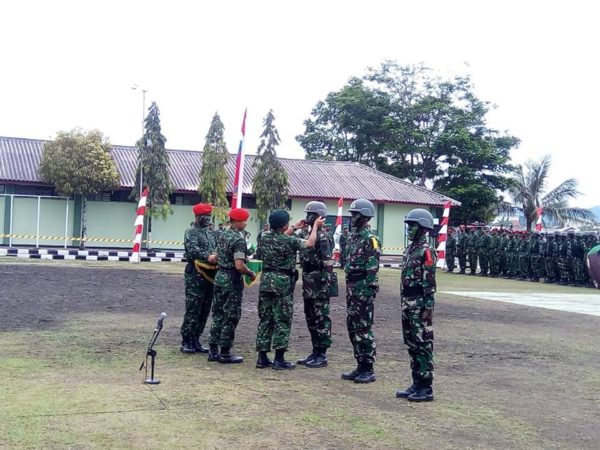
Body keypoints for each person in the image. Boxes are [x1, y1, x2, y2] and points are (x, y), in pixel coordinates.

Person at [255, 209, 324, 370]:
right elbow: (309, 243)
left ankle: (262, 357)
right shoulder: (289, 241)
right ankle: (279, 359)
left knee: (265, 319)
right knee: (282, 320)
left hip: (266, 281)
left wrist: (293, 227)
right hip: (282, 283)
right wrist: (314, 227)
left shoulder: (264, 238)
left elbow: (280, 237)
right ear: (284, 224)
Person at [396, 208, 437, 402]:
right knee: (411, 343)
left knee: (423, 345)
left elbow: (429, 283)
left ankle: (426, 387)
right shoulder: (410, 249)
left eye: (413, 226)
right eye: (409, 225)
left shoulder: (426, 251)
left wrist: (428, 308)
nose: (409, 229)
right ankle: (416, 382)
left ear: (423, 228)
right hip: (408, 303)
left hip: (420, 304)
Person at [208, 208, 257, 364]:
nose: (246, 223)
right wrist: (250, 273)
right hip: (232, 280)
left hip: (220, 277)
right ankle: (225, 352)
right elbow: (239, 265)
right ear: (237, 221)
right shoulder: (238, 239)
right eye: (244, 220)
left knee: (217, 314)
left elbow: (215, 257)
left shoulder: (222, 234)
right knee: (231, 316)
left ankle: (213, 350)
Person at [341, 199, 380, 384]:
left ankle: (368, 368)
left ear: (365, 217)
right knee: (352, 327)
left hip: (363, 288)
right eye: (352, 214)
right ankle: (359, 364)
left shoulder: (370, 239)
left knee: (363, 328)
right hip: (352, 287)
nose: (352, 217)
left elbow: (372, 268)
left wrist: (368, 291)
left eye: (355, 214)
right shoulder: (353, 236)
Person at [297, 201, 334, 369]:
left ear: (319, 217)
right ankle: (314, 351)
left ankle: (322, 354)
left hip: (319, 281)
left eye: (310, 215)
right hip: (309, 280)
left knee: (320, 318)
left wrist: (326, 286)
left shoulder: (323, 236)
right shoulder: (309, 233)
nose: (307, 218)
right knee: (310, 317)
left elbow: (328, 263)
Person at [180, 203, 218, 354]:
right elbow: (192, 250)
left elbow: (215, 248)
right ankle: (186, 340)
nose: (207, 219)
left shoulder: (210, 233)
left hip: (210, 275)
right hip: (195, 274)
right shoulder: (191, 232)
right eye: (204, 217)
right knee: (193, 308)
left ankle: (196, 339)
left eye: (209, 216)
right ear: (197, 217)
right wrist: (208, 256)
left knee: (205, 308)